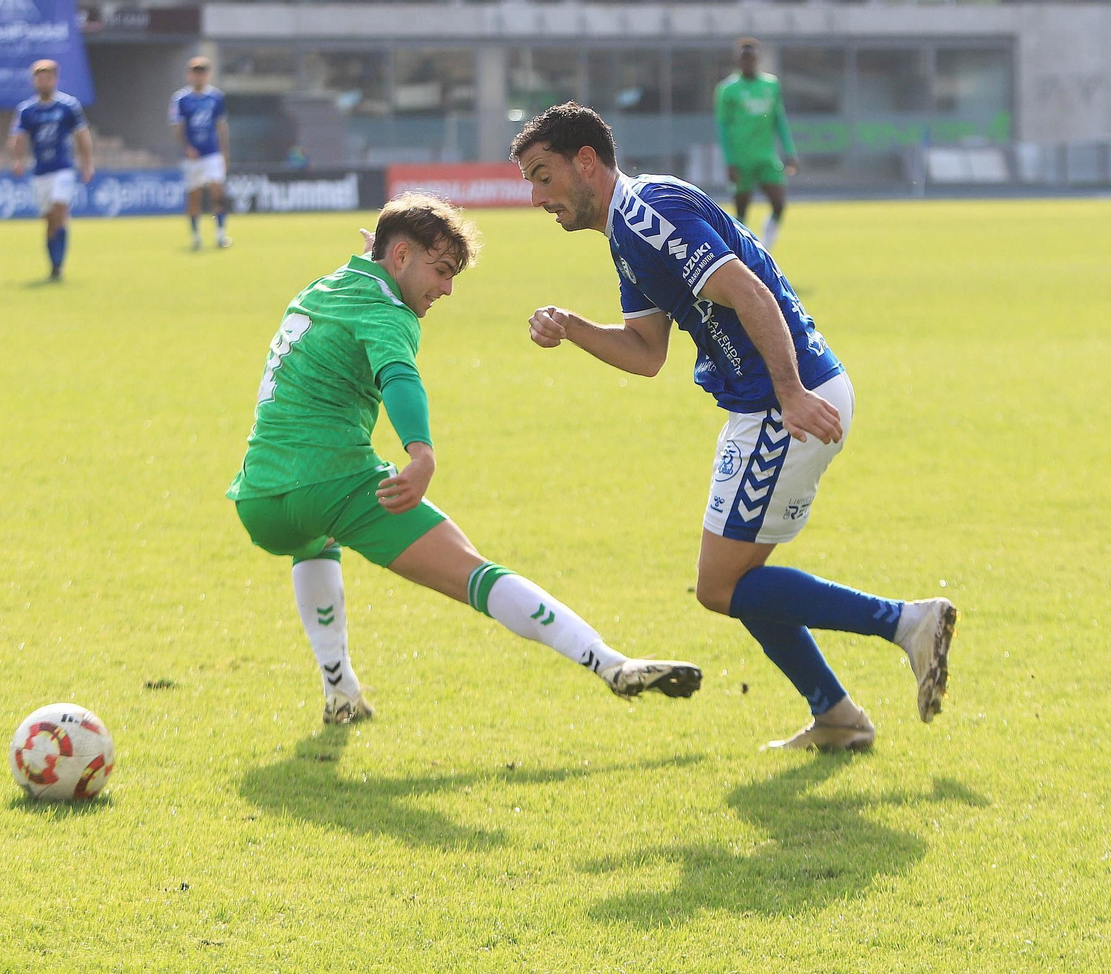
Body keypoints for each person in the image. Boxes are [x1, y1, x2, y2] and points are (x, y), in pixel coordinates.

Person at [512, 103, 955, 751]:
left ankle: (907, 624)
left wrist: (791, 394)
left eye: (542, 176)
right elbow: (646, 352)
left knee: (721, 586)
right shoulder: (627, 231)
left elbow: (748, 290)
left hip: (781, 402)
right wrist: (572, 327)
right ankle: (836, 716)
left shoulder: (648, 216)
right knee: (742, 585)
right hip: (772, 400)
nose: (534, 198)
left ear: (586, 162)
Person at [227, 192, 702, 724]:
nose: (447, 289)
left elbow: (379, 259)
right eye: (442, 271)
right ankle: (610, 663)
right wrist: (421, 452)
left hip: (259, 499)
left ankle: (339, 690)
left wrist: (379, 249)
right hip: (332, 482)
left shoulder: (330, 285)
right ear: (402, 256)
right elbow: (398, 377)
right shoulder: (388, 312)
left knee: (316, 538)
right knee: (477, 574)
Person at [8, 60, 93, 281]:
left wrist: (87, 163)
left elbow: (82, 135)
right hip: (40, 172)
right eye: (39, 78)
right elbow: (18, 138)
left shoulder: (68, 106)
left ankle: (59, 263)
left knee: (58, 210)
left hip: (63, 169)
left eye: (47, 78)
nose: (43, 82)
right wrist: (18, 160)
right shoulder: (27, 110)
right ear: (34, 81)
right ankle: (54, 266)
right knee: (49, 220)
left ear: (55, 80)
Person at [714, 38, 798, 250]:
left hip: (766, 157)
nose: (747, 61)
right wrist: (730, 161)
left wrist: (789, 151)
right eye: (744, 57)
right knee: (741, 212)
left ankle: (766, 244)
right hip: (742, 159)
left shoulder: (771, 85)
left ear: (757, 58)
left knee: (779, 203)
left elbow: (779, 119)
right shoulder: (727, 89)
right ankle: (740, 253)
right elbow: (723, 128)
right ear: (738, 60)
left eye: (751, 57)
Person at [169, 57, 231, 250]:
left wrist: (225, 152)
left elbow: (221, 125)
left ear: (208, 74)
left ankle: (221, 234)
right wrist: (186, 147)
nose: (199, 75)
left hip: (211, 153)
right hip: (192, 156)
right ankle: (196, 236)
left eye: (202, 71)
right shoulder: (181, 99)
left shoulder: (216, 97)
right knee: (194, 196)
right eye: (196, 71)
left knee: (217, 191)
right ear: (190, 74)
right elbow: (178, 127)